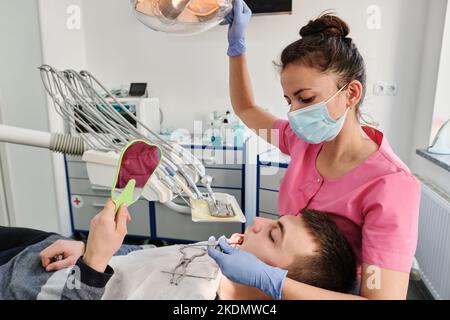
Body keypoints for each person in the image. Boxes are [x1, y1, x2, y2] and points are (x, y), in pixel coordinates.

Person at [209, 0, 421, 300]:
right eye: (288, 100)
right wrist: (236, 48)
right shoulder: (303, 141)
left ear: (351, 93)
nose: (294, 112)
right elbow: (246, 108)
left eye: (305, 98)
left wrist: (273, 281)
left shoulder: (392, 185)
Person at [0, 201, 355, 300]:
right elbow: (149, 260)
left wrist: (93, 263)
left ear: (273, 280)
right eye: (276, 219)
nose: (258, 222)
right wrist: (88, 248)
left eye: (274, 235)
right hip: (47, 250)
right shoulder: (223, 254)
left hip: (21, 289)